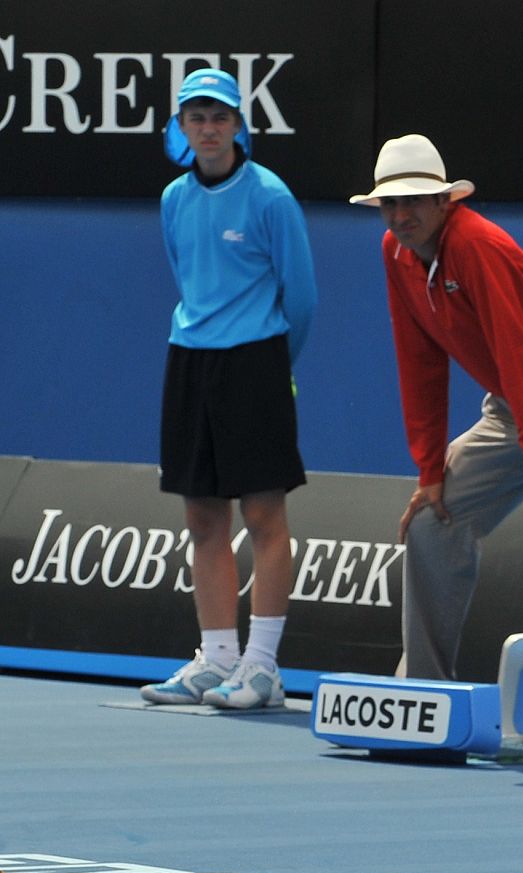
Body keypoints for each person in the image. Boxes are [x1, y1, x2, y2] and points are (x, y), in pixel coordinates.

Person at [349, 134, 523, 768]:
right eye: (389, 206)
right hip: (513, 405)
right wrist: (430, 472)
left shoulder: (477, 244)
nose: (401, 217)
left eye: (414, 203)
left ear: (444, 200)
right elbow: (418, 361)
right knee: (431, 519)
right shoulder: (396, 251)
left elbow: (516, 349)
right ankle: (421, 702)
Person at [140, 68, 316, 710]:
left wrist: (272, 366)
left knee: (265, 516)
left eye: (219, 117)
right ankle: (216, 660)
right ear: (181, 127)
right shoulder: (172, 199)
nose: (208, 129)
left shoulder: (270, 196)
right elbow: (186, 278)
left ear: (238, 125)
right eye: (197, 118)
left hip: (257, 362)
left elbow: (301, 296)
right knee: (201, 516)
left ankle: (263, 668)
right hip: (189, 361)